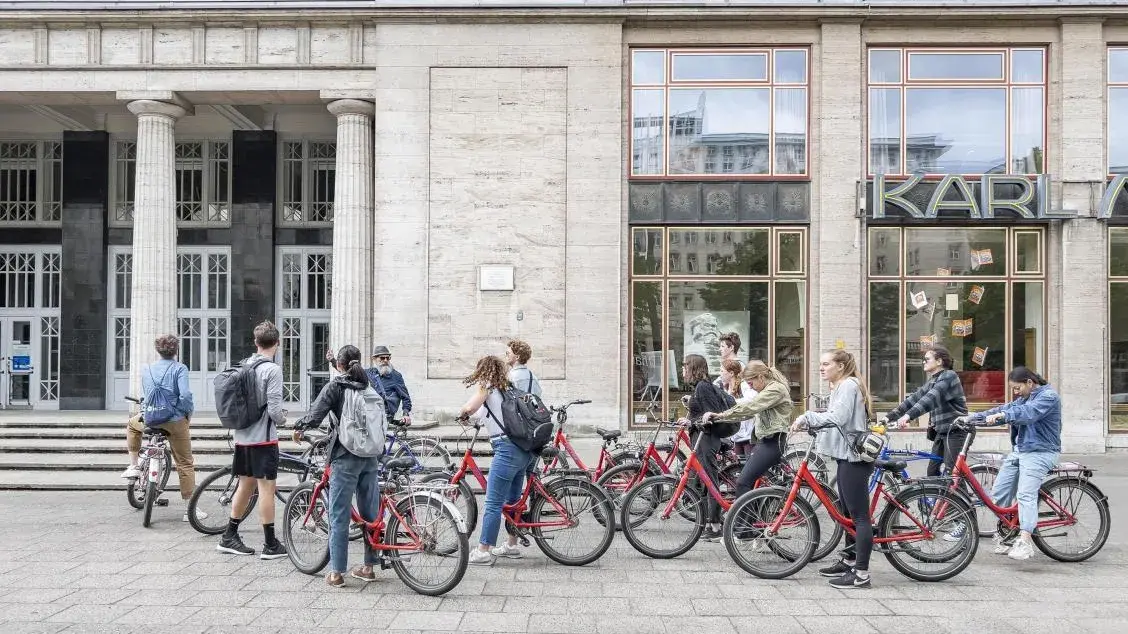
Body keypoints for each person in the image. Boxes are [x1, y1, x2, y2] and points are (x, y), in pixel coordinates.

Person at [295, 345, 383, 586]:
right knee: (371, 513)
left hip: (345, 456)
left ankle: (336, 573)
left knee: (339, 514)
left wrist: (299, 427)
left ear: (341, 365)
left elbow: (315, 415)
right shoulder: (369, 383)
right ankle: (369, 566)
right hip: (371, 455)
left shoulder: (336, 386)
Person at [792, 349, 874, 589]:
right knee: (847, 515)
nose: (821, 367)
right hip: (845, 455)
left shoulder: (848, 385)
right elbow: (836, 418)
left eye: (826, 363)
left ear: (840, 366)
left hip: (854, 458)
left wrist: (807, 416)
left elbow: (838, 417)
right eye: (821, 363)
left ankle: (861, 575)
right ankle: (849, 560)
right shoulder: (841, 386)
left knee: (859, 517)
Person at [970, 367, 1061, 561]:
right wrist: (971, 418)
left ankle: (1025, 541)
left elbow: (1028, 414)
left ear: (1029, 382)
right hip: (1021, 451)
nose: (1015, 392)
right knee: (1000, 492)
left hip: (1041, 452)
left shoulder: (1048, 397)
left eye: (1017, 387)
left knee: (1025, 494)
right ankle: (1009, 532)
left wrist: (1004, 416)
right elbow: (1004, 409)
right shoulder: (1024, 399)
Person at [217, 321, 288, 560]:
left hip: (242, 438)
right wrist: (284, 420)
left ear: (256, 343)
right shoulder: (272, 370)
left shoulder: (245, 364)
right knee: (267, 489)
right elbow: (275, 410)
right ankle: (270, 544)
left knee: (245, 485)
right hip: (264, 441)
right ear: (277, 344)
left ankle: (229, 536)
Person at [457, 356, 533, 566]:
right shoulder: (505, 388)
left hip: (506, 449)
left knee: (492, 503)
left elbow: (471, 408)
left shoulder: (487, 386)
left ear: (484, 370)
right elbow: (482, 413)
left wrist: (462, 412)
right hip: (522, 448)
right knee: (513, 501)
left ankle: (483, 550)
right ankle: (511, 545)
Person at [121, 334, 200, 522]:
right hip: (174, 421)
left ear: (157, 350)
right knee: (185, 462)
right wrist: (185, 412)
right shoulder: (179, 368)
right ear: (176, 350)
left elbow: (147, 394)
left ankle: (133, 465)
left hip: (150, 419)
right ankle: (191, 508)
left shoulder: (146, 369)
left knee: (132, 426)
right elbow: (186, 395)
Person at [704, 361, 794, 497]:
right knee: (752, 483)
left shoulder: (775, 389)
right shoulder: (767, 389)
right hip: (765, 441)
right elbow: (749, 412)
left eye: (751, 384)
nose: (751, 388)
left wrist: (720, 416)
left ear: (761, 377)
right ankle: (752, 515)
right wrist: (721, 418)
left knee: (742, 483)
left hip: (773, 442)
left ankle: (741, 519)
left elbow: (750, 406)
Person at [882, 345, 968, 476]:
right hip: (943, 431)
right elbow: (913, 400)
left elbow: (930, 399)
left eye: (927, 359)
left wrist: (908, 416)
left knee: (952, 474)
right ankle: (941, 496)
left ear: (939, 361)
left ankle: (960, 496)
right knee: (932, 471)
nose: (923, 361)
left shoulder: (950, 376)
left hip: (957, 431)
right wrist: (888, 417)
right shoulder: (933, 380)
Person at [679, 354, 735, 542]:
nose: (682, 370)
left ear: (693, 368)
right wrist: (691, 415)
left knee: (710, 481)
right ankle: (708, 522)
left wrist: (690, 421)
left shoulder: (703, 387)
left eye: (685, 366)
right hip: (700, 438)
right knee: (703, 482)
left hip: (707, 439)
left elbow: (711, 416)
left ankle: (716, 525)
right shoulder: (699, 388)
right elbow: (702, 413)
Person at [363, 345, 413, 425]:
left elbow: (405, 397)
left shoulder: (395, 376)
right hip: (368, 418)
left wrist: (406, 414)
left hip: (384, 419)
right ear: (374, 359)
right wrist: (335, 362)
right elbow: (348, 373)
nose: (385, 360)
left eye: (388, 358)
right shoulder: (368, 373)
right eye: (382, 358)